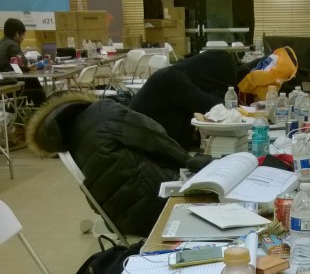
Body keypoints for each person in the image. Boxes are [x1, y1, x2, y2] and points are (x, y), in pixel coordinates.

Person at [25, 92, 211, 237]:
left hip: (124, 220)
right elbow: (153, 138)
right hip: (158, 207)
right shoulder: (102, 111)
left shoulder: (70, 146)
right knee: (222, 190)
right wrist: (191, 161)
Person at [130, 49, 238, 150]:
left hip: (147, 136)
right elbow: (209, 105)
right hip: (144, 143)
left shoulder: (180, 72)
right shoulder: (172, 78)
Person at [0, 17, 45, 108]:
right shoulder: (13, 44)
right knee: (34, 84)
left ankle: (18, 114)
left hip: (3, 83)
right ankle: (44, 112)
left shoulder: (2, 42)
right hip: (10, 86)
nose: (23, 38)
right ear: (17, 34)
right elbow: (23, 64)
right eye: (23, 35)